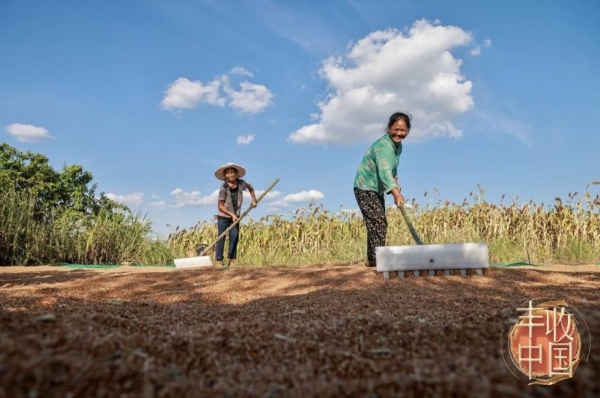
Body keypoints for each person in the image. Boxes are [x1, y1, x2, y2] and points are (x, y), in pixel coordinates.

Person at [353, 112, 411, 267]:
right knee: (378, 221)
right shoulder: (384, 146)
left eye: (403, 130)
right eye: (396, 129)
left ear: (408, 131)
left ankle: (373, 259)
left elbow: (391, 169)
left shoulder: (397, 146)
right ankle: (377, 259)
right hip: (364, 186)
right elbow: (384, 172)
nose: (399, 133)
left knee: (377, 222)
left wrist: (396, 182)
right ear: (389, 127)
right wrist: (396, 193)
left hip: (375, 188)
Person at [214, 162, 258, 266]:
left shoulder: (242, 183)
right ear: (225, 176)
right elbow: (220, 205)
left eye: (232, 172)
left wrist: (254, 199)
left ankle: (232, 260)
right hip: (224, 216)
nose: (230, 175)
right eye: (227, 173)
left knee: (234, 236)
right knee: (221, 237)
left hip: (236, 216)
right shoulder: (223, 187)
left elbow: (250, 187)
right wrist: (231, 214)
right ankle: (219, 260)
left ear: (236, 174)